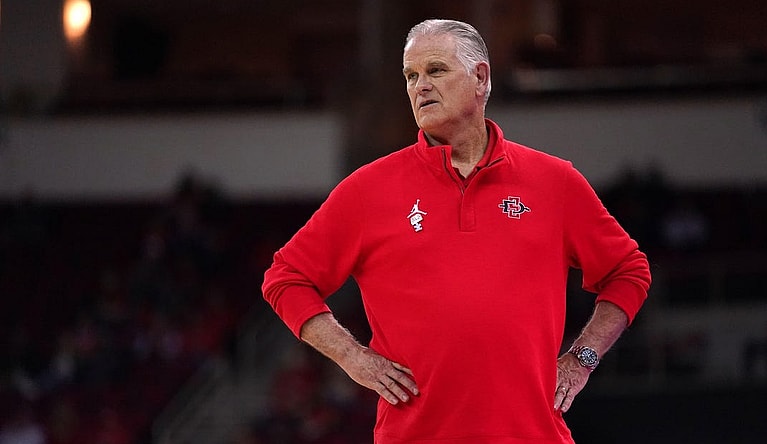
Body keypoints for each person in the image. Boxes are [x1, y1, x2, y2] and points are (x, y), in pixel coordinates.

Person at [262, 19, 651, 443]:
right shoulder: (368, 190)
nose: (420, 86)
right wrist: (352, 356)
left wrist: (583, 358)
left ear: (481, 77)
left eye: (436, 70)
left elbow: (628, 271)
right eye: (411, 76)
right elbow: (286, 277)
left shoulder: (555, 182)